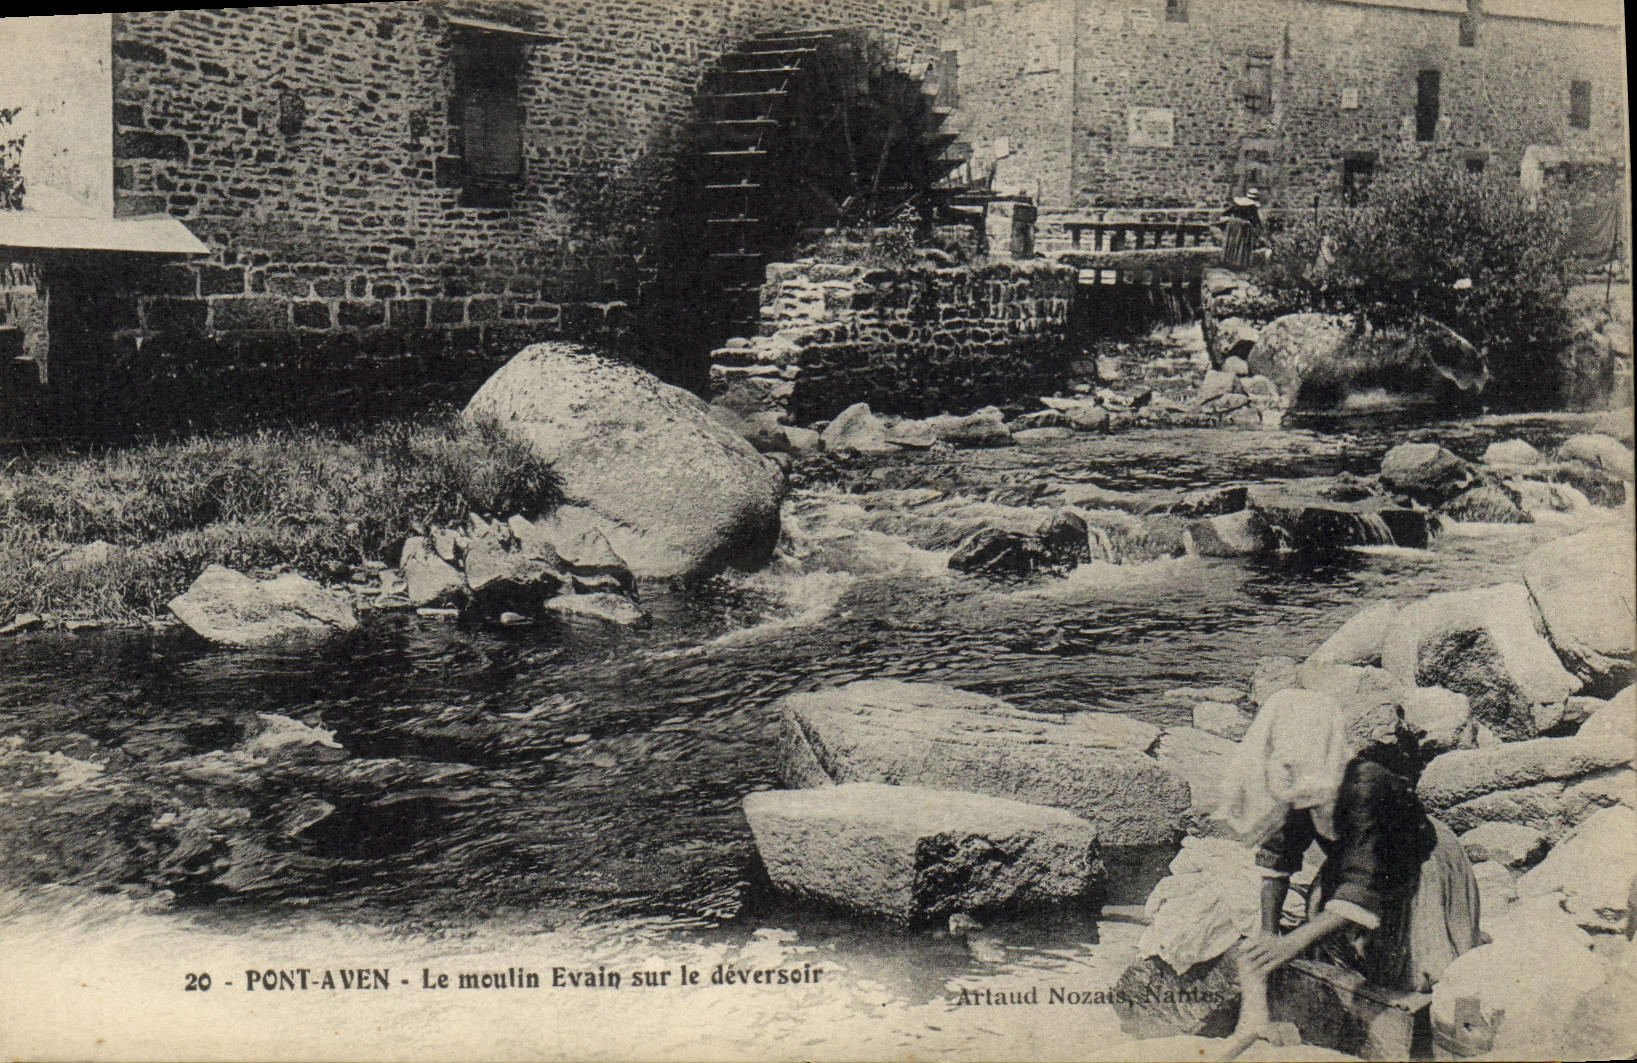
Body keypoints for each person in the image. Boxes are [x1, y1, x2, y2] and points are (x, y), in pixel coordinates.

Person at [1212, 689, 1480, 1049]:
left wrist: (1292, 943)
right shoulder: (1296, 788)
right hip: (1357, 857)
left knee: (1416, 967)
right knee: (1335, 936)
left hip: (1415, 861)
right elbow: (1280, 856)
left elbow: (1365, 881)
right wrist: (1268, 933)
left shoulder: (1367, 786)